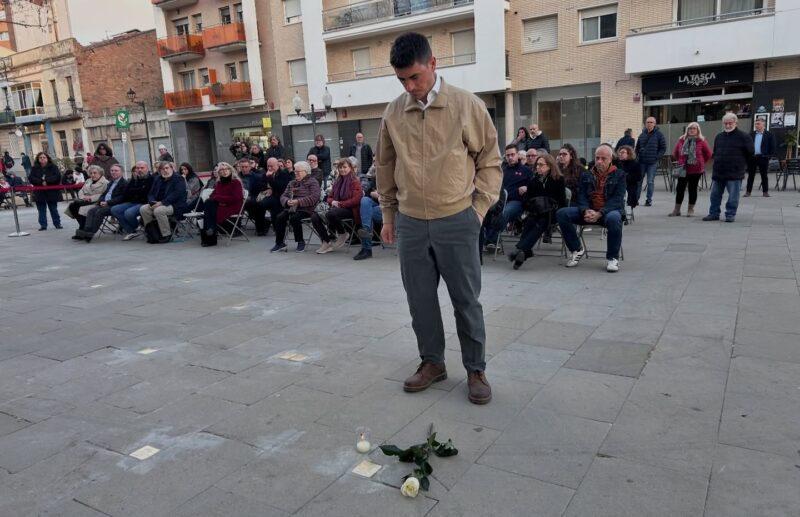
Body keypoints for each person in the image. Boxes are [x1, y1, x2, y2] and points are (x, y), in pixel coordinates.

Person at [377, 32, 502, 405]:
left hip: (457, 218)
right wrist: (388, 214)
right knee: (420, 301)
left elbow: (490, 161)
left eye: (414, 77)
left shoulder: (467, 106)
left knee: (466, 299)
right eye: (401, 80)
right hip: (412, 222)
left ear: (433, 64)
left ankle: (475, 369)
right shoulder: (393, 112)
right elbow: (385, 165)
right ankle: (433, 363)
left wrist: (478, 210)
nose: (410, 86)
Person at [556, 144, 625, 273]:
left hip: (608, 212)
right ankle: (576, 249)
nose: (599, 161)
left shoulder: (619, 175)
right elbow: (581, 196)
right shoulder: (587, 175)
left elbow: (617, 200)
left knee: (615, 218)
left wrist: (600, 213)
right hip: (589, 211)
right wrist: (585, 210)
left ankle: (612, 258)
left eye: (603, 158)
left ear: (610, 159)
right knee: (562, 213)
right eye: (597, 158)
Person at [509, 154, 566, 270]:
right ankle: (524, 251)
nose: (538, 167)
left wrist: (550, 207)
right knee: (530, 220)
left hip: (552, 213)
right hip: (536, 212)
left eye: (541, 165)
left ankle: (520, 248)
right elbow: (527, 199)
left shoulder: (558, 180)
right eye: (537, 165)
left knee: (541, 221)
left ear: (549, 166)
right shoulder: (533, 181)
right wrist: (530, 205)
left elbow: (562, 201)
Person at [703, 113, 754, 223]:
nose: (728, 125)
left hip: (734, 172)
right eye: (726, 123)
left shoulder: (744, 137)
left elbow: (750, 153)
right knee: (715, 195)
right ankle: (714, 213)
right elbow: (716, 152)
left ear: (736, 123)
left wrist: (740, 165)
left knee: (733, 196)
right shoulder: (719, 137)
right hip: (719, 171)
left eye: (730, 123)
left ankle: (730, 214)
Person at [483, 144, 532, 249]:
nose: (510, 157)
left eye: (512, 155)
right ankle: (486, 239)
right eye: (507, 155)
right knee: (485, 210)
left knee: (503, 212)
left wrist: (527, 188)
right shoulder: (502, 171)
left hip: (516, 202)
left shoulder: (526, 171)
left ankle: (490, 240)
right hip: (500, 199)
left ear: (518, 155)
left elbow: (533, 188)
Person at [312, 157, 363, 254]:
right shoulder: (337, 182)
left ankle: (342, 233)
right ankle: (326, 242)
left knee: (331, 213)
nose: (342, 169)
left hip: (350, 209)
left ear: (350, 168)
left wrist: (340, 204)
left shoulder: (355, 181)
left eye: (345, 167)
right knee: (314, 216)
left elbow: (356, 200)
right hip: (336, 208)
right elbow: (329, 197)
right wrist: (333, 202)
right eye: (340, 167)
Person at [271, 160, 321, 253]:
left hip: (307, 209)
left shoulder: (313, 182)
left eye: (298, 172)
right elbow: (283, 196)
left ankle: (300, 241)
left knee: (294, 218)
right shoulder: (292, 182)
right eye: (295, 171)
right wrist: (287, 201)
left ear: (306, 172)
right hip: (292, 208)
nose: (296, 173)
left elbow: (314, 197)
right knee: (279, 217)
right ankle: (279, 243)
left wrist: (298, 201)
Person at [75, 164, 128, 242]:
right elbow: (104, 194)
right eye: (112, 171)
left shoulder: (124, 183)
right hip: (104, 203)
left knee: (99, 212)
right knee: (91, 210)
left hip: (114, 205)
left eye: (116, 171)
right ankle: (86, 229)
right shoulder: (111, 183)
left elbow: (121, 198)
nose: (113, 172)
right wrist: (101, 201)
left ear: (121, 172)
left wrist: (108, 202)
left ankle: (91, 233)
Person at [670, 122, 712, 217]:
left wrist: (700, 162)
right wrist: (681, 161)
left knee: (692, 189)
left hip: (696, 169)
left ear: (698, 130)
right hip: (683, 169)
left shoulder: (702, 140)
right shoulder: (681, 140)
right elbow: (676, 152)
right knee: (680, 189)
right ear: (687, 130)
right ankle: (677, 210)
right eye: (690, 129)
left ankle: (690, 209)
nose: (692, 130)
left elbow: (708, 154)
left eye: (694, 129)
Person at [140, 162, 188, 243]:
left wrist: (161, 203)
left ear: (171, 168)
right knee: (143, 209)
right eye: (162, 169)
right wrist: (152, 202)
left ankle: (167, 235)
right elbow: (151, 193)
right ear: (159, 171)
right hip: (158, 203)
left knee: (159, 211)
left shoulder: (178, 179)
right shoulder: (157, 179)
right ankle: (152, 233)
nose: (165, 170)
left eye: (167, 168)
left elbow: (176, 194)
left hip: (174, 205)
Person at [200, 161, 244, 247]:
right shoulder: (218, 183)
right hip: (220, 205)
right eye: (222, 170)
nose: (224, 171)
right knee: (209, 205)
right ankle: (211, 231)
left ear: (231, 170)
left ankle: (209, 236)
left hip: (232, 206)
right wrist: (217, 199)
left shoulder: (236, 182)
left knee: (208, 211)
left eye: (226, 169)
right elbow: (213, 195)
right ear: (219, 172)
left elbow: (235, 198)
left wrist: (218, 198)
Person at [247, 157, 291, 236]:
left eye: (272, 166)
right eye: (268, 166)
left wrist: (270, 179)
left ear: (277, 165)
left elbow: (281, 187)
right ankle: (262, 227)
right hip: (267, 196)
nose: (270, 168)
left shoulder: (283, 173)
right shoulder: (265, 174)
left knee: (267, 204)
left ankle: (274, 227)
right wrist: (266, 187)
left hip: (280, 197)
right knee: (253, 204)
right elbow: (260, 186)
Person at [112, 161, 154, 240]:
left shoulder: (152, 179)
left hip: (144, 202)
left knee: (129, 213)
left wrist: (136, 190)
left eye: (142, 168)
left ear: (147, 169)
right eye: (138, 168)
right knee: (115, 209)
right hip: (132, 202)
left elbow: (146, 192)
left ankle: (136, 226)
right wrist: (139, 189)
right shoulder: (134, 179)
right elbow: (127, 192)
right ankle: (131, 231)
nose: (139, 170)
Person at [65, 165, 108, 232]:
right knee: (72, 206)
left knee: (81, 208)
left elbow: (104, 195)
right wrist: (84, 197)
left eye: (94, 173)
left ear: (100, 173)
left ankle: (82, 228)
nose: (92, 175)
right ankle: (82, 226)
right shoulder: (88, 180)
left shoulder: (106, 182)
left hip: (96, 202)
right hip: (85, 201)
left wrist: (90, 198)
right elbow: (81, 191)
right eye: (91, 173)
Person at [634, 116, 667, 207]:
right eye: (648, 122)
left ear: (655, 124)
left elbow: (663, 148)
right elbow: (637, 148)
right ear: (645, 123)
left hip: (652, 162)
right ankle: (635, 199)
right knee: (639, 181)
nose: (649, 124)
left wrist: (657, 157)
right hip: (642, 162)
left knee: (650, 182)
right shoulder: (642, 135)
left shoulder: (659, 135)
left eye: (651, 122)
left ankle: (649, 200)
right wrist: (635, 158)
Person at [354, 156, 382, 260]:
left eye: (377, 161)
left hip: (390, 208)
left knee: (366, 213)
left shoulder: (394, 174)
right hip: (375, 205)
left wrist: (381, 196)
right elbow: (366, 193)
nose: (375, 163)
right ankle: (366, 229)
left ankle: (366, 248)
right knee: (365, 201)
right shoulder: (373, 176)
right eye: (374, 161)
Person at [28, 152, 64, 230]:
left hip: (51, 192)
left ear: (47, 158)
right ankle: (43, 225)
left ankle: (57, 223)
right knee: (41, 209)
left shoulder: (53, 167)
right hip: (40, 192)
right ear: (38, 159)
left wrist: (47, 181)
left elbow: (57, 177)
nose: (42, 159)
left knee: (53, 209)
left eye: (44, 157)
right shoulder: (34, 168)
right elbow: (31, 178)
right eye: (40, 157)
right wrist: (41, 182)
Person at [745, 118, 776, 197]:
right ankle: (748, 192)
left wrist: (768, 157)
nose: (756, 125)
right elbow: (747, 146)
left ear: (763, 125)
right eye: (755, 124)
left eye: (758, 124)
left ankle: (765, 192)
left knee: (764, 175)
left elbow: (772, 147)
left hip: (763, 158)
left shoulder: (769, 135)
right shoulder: (751, 134)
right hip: (752, 158)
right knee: (751, 175)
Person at [616, 145, 641, 212]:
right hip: (618, 185)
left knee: (630, 193)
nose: (620, 154)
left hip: (630, 185)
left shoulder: (635, 164)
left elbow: (638, 177)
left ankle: (628, 210)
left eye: (623, 152)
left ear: (629, 154)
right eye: (620, 152)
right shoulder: (617, 164)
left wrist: (626, 176)